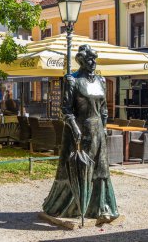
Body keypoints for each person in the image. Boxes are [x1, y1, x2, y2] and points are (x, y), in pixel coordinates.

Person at [43, 45, 119, 224]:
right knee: (78, 168)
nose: (93, 62)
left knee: (100, 170)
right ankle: (73, 206)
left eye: (95, 59)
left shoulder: (101, 80)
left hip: (98, 130)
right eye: (90, 59)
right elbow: (66, 110)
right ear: (82, 60)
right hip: (80, 130)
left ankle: (101, 207)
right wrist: (75, 128)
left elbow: (103, 108)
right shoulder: (73, 80)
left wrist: (105, 127)